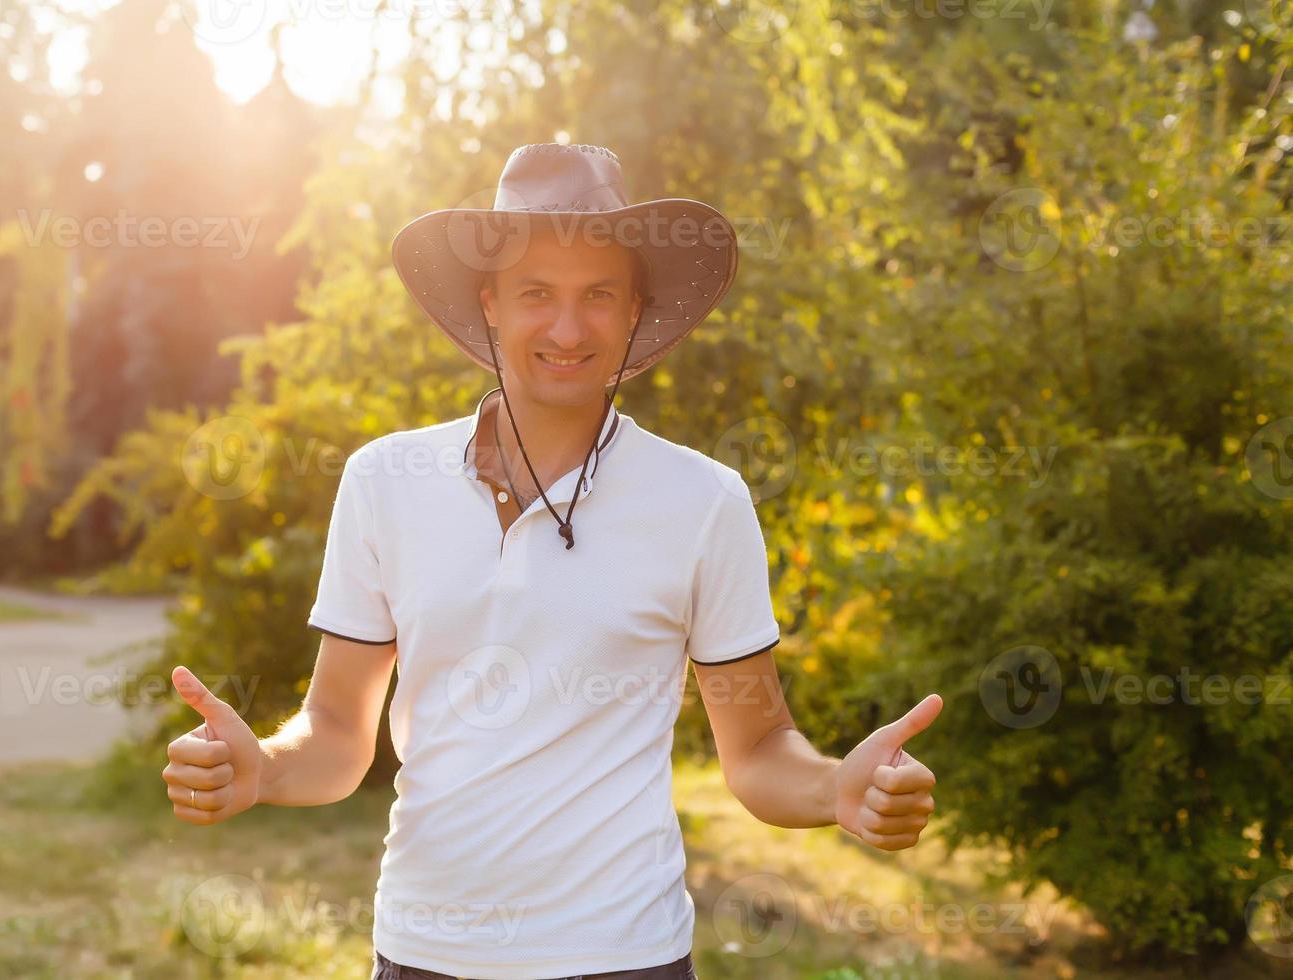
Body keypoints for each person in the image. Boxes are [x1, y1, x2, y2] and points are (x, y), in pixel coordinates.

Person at [162, 143, 943, 980]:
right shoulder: (383, 480)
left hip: (623, 958)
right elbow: (340, 733)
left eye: (598, 295)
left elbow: (755, 751)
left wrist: (836, 792)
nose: (568, 330)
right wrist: (264, 769)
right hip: (422, 953)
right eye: (537, 293)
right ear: (489, 301)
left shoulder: (705, 502)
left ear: (635, 308)